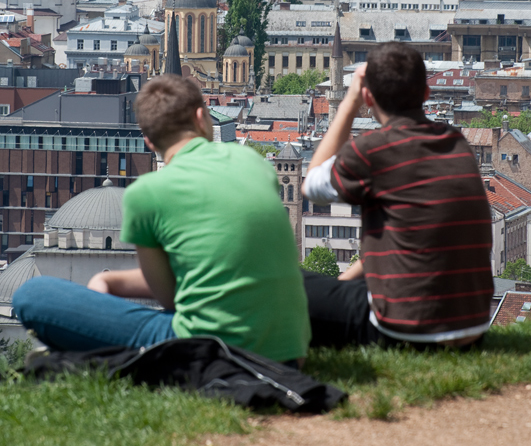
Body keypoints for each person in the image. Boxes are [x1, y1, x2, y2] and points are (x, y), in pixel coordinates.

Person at [14, 75, 311, 364]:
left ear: (147, 139)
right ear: (201, 117)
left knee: (32, 294)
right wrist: (110, 279)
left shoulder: (146, 194)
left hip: (214, 352)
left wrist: (104, 289)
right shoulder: (255, 164)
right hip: (288, 352)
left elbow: (169, 296)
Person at [302, 42, 493, 349]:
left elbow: (312, 184)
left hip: (405, 329)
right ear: (426, 95)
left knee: (288, 285)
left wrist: (349, 104)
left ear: (368, 97)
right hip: (471, 326)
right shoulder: (455, 142)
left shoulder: (373, 149)